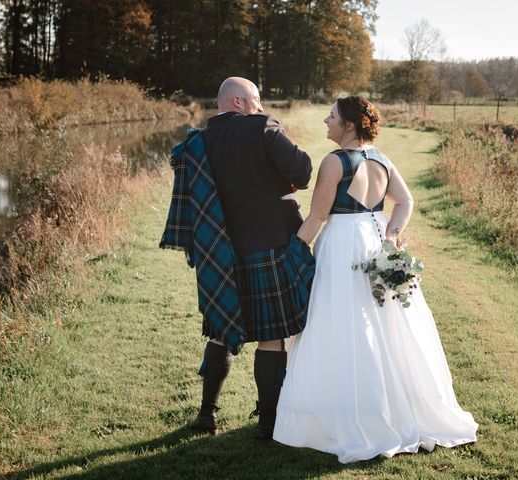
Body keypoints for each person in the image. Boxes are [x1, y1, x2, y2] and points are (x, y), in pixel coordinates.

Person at [273, 96, 478, 463]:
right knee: (382, 322)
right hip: (373, 240)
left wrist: (292, 250)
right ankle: (389, 406)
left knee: (342, 321)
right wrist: (391, 238)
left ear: (349, 125)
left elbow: (318, 216)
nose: (326, 121)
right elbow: (405, 201)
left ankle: (347, 413)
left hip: (342, 245)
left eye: (332, 117)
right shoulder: (380, 157)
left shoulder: (334, 162)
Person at [160, 77, 314, 439]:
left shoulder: (197, 142)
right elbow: (302, 172)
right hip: (270, 247)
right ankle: (268, 423)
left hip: (220, 252)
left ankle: (206, 415)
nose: (259, 108)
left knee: (220, 333)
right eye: (256, 101)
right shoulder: (263, 126)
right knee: (272, 336)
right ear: (240, 102)